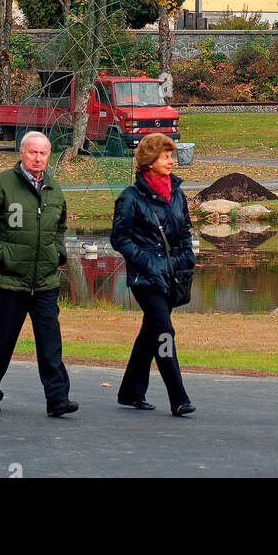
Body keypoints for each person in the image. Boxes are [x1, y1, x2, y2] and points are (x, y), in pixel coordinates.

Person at [0, 130, 78, 417]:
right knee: (2, 342)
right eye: (33, 152)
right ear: (22, 153)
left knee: (50, 344)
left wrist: (58, 253)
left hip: (44, 282)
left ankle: (57, 400)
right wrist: (0, 255)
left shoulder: (54, 188)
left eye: (43, 153)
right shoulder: (1, 184)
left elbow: (60, 226)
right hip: (9, 281)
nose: (38, 158)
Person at [110, 132, 196, 416]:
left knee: (151, 332)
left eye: (171, 156)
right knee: (164, 333)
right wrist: (147, 261)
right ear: (150, 161)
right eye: (166, 156)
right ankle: (179, 397)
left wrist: (187, 258)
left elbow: (184, 231)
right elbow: (120, 239)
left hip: (173, 275)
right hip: (145, 278)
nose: (172, 161)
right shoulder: (130, 198)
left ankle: (131, 392)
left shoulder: (177, 193)